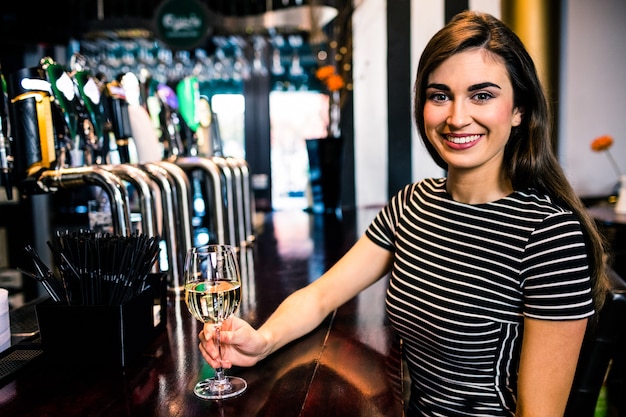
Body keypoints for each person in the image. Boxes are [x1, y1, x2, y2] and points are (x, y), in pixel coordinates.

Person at [199, 10, 610, 417]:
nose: (456, 117)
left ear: (519, 110)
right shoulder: (411, 205)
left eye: (482, 95)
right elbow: (321, 296)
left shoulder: (550, 235)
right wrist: (262, 340)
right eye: (440, 95)